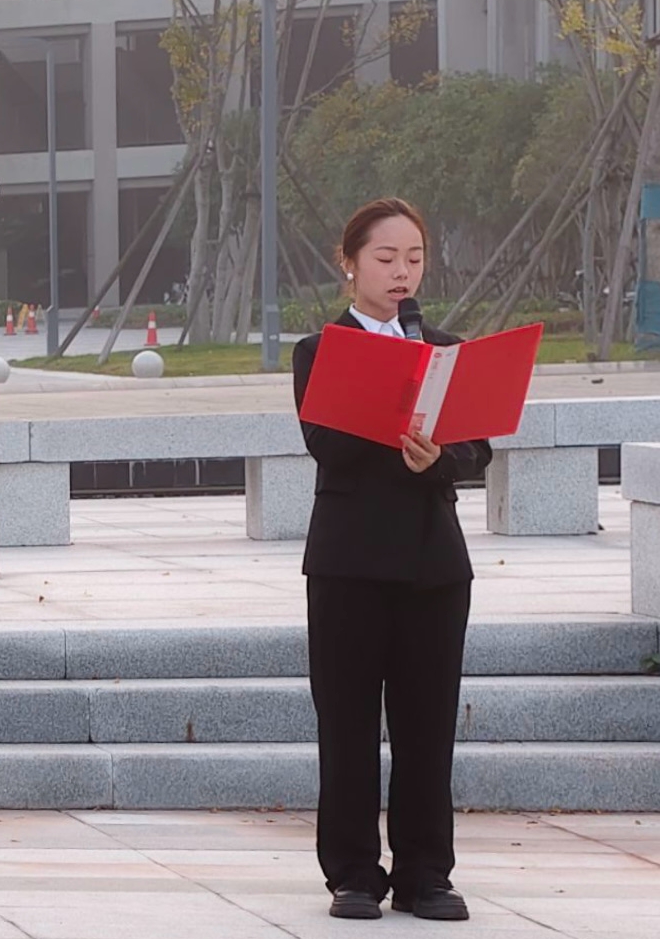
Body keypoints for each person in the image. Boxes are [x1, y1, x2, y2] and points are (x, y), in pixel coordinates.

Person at [292, 197, 492, 923]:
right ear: (350, 263)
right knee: (346, 724)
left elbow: (476, 450)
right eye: (385, 258)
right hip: (348, 563)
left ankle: (424, 874)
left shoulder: (446, 348)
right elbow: (325, 444)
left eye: (413, 258)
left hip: (433, 566)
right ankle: (352, 872)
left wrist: (438, 458)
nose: (401, 272)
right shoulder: (320, 350)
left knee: (427, 726)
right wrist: (390, 404)